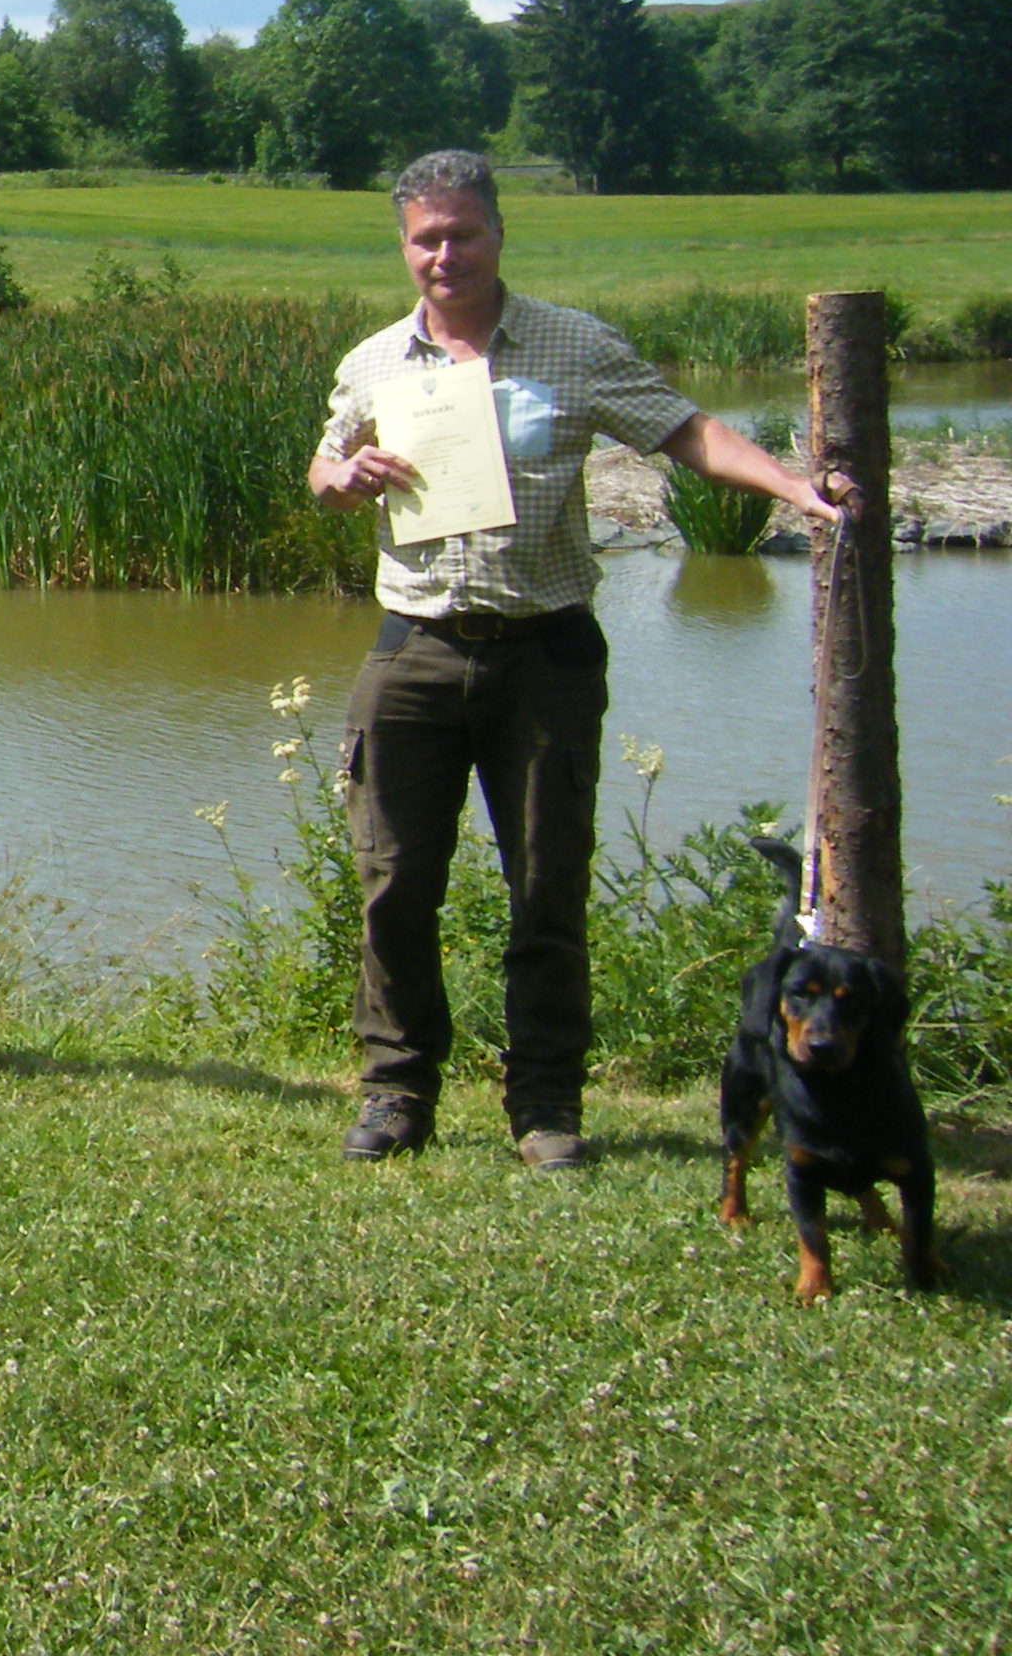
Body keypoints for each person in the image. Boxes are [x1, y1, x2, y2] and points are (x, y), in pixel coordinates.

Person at [309, 149, 847, 1169]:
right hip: (412, 652)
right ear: (403, 245)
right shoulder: (375, 362)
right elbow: (323, 463)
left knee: (547, 889)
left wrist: (794, 488)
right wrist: (342, 478)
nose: (444, 254)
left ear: (500, 233)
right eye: (426, 237)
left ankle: (545, 1105)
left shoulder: (575, 345)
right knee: (392, 884)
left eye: (463, 232)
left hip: (543, 656)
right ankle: (395, 1093)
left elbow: (686, 433)